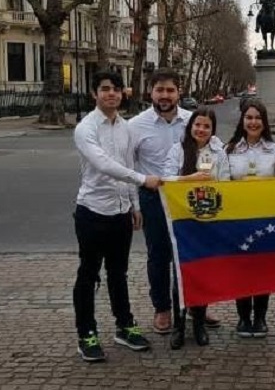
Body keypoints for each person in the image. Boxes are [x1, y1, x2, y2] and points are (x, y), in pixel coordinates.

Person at [72, 70, 162, 362]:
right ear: (94, 94)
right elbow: (103, 165)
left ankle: (124, 325)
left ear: (123, 93)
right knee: (88, 274)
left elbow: (126, 162)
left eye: (116, 89)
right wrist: (142, 180)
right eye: (105, 89)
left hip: (121, 212)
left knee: (118, 273)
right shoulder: (86, 128)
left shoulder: (126, 128)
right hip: (93, 211)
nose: (111, 94)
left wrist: (134, 205)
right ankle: (86, 333)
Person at [129, 69, 221, 336]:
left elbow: (214, 147)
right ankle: (163, 309)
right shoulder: (135, 126)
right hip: (154, 199)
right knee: (159, 256)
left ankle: (194, 305)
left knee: (192, 254)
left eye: (170, 90)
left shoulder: (192, 120)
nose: (165, 96)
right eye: (160, 90)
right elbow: (129, 168)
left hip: (192, 200)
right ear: (151, 92)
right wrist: (135, 205)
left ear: (179, 92)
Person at [164, 108, 231, 349]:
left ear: (212, 130)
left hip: (208, 221)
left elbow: (226, 184)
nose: (201, 130)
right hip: (182, 221)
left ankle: (199, 323)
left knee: (202, 273)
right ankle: (179, 325)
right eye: (197, 125)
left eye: (206, 126)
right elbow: (166, 179)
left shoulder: (218, 153)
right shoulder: (178, 150)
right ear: (191, 126)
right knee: (179, 276)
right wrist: (189, 178)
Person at [225, 100, 275, 338]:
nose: (253, 122)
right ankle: (243, 317)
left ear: (264, 122)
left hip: (265, 217)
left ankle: (260, 317)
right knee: (241, 269)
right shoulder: (228, 150)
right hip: (238, 218)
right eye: (249, 117)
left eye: (258, 118)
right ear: (242, 121)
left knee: (262, 269)